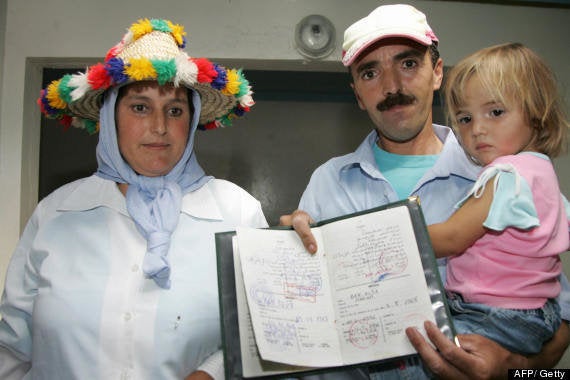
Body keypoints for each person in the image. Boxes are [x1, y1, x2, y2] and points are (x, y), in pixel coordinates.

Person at [279, 4, 570, 379]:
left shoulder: (497, 174)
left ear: (437, 73)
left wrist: (515, 369)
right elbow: (307, 310)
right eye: (370, 72)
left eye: (408, 64)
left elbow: (557, 318)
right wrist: (292, 247)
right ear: (357, 94)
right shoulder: (328, 181)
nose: (391, 87)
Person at [0, 18, 267, 380]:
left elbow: (262, 332)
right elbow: (12, 349)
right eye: (140, 107)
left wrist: (213, 373)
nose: (159, 126)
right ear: (110, 118)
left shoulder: (238, 213)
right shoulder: (55, 213)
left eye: (175, 110)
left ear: (191, 120)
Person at [427, 42, 569, 355]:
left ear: (536, 112)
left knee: (417, 358)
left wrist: (394, 229)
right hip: (538, 314)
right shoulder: (541, 174)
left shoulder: (508, 175)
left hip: (495, 315)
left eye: (495, 112)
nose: (477, 129)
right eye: (464, 119)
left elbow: (452, 238)